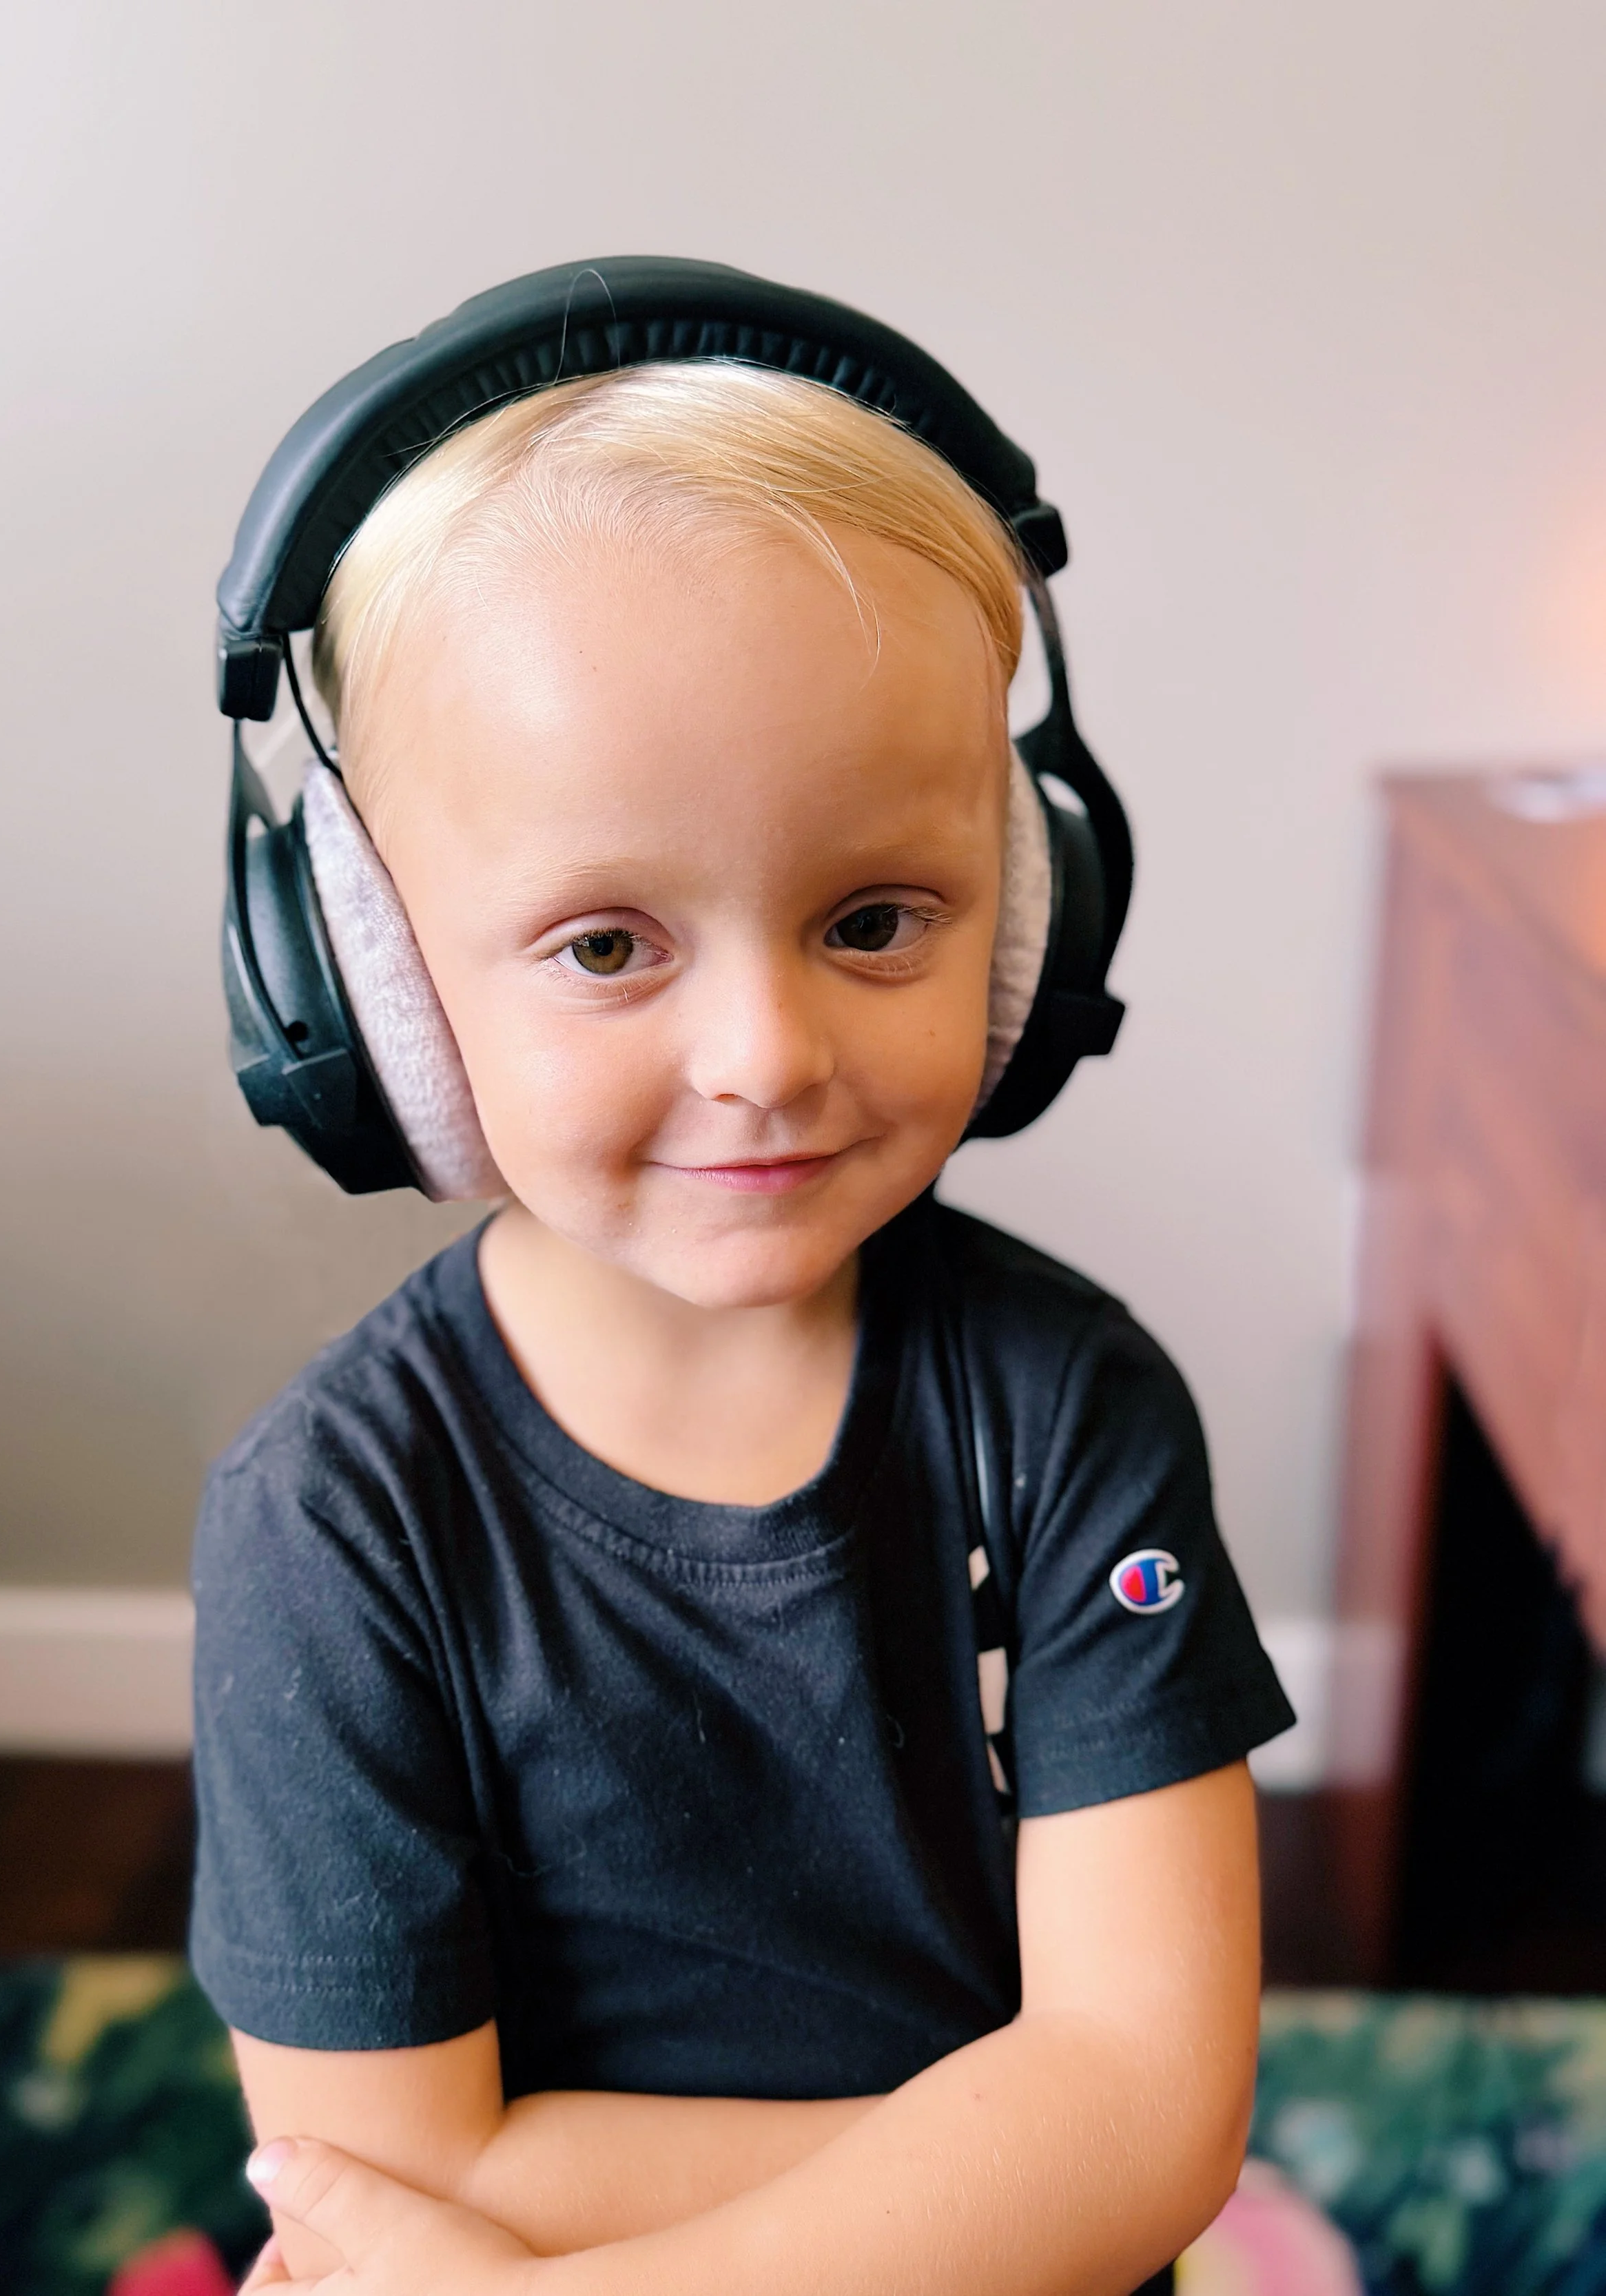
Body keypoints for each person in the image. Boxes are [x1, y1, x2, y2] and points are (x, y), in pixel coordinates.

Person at [191, 351, 1295, 2296]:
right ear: (365, 981)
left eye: (874, 917)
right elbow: (370, 2164)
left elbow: (1155, 2112)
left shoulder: (1071, 1410)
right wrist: (1027, 2148)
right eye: (606, 944)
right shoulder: (328, 1520)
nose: (767, 1056)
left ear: (1027, 910)